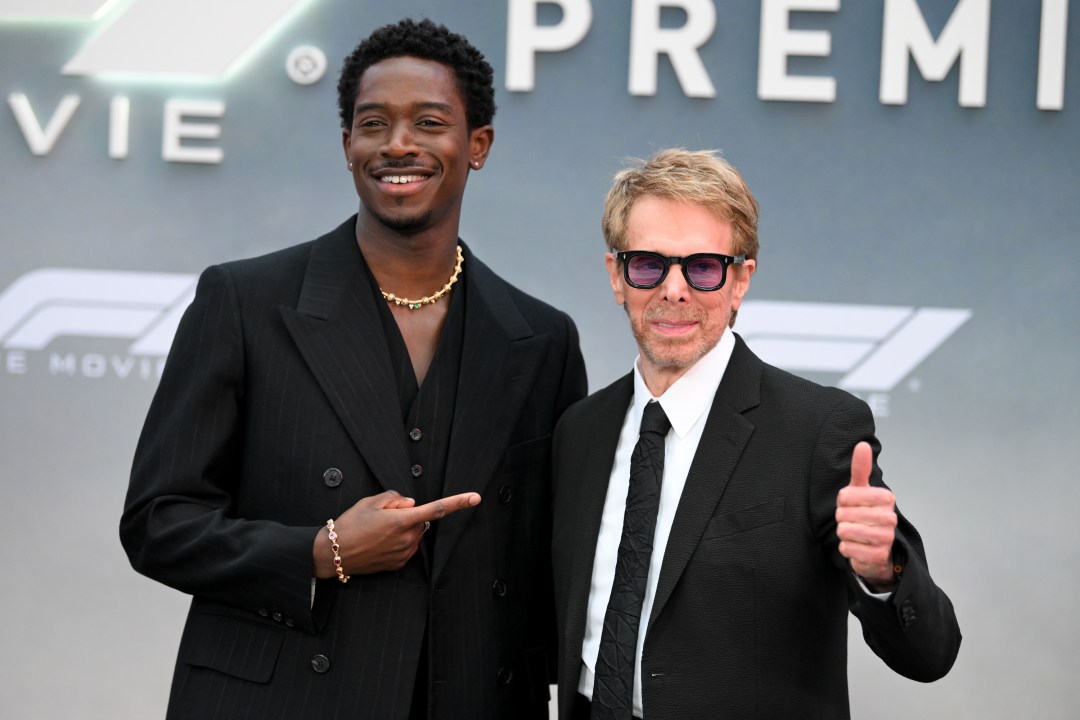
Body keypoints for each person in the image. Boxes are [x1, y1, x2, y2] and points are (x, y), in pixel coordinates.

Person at [121, 18, 586, 720]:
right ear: (348, 147)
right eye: (374, 123)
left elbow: (558, 562)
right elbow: (158, 522)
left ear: (478, 145)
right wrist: (321, 549)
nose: (398, 143)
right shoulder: (245, 302)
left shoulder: (540, 339)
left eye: (429, 122)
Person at [551, 148, 960, 719]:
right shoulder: (580, 431)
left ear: (741, 280)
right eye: (647, 264)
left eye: (703, 267)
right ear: (617, 276)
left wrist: (883, 571)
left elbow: (931, 654)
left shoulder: (819, 430)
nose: (674, 290)